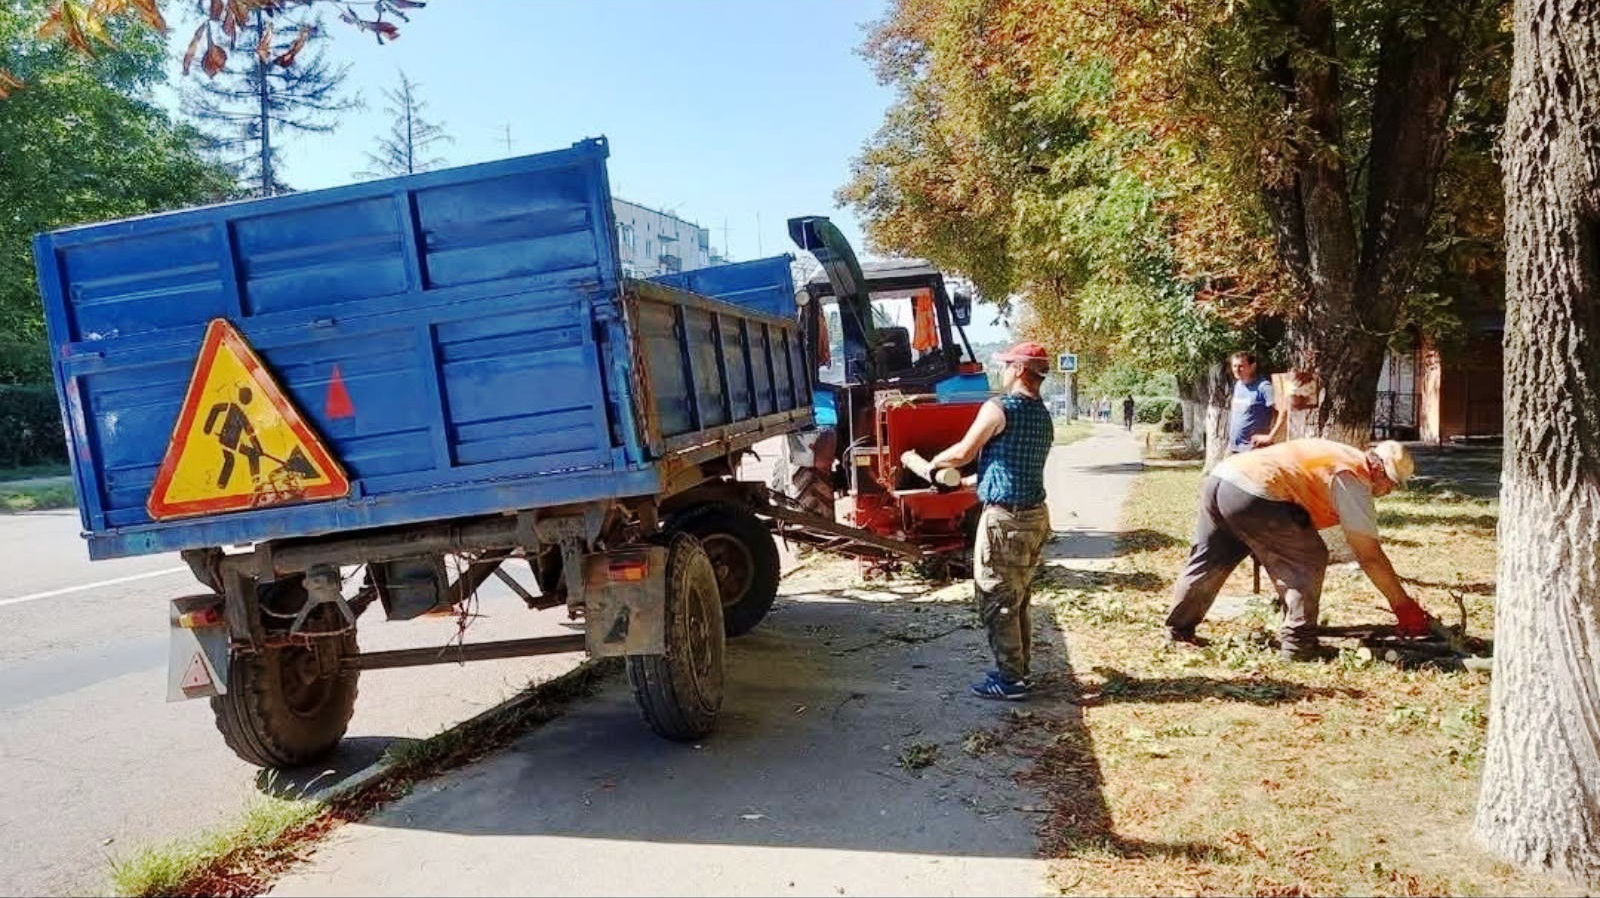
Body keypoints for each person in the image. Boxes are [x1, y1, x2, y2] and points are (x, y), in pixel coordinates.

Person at [1165, 438, 1432, 660]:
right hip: (1256, 490)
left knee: (1212, 557)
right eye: (1392, 484)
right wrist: (1403, 605)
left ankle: (1178, 630)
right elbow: (1369, 556)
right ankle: (1298, 642)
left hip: (1223, 478)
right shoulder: (1352, 477)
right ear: (1380, 472)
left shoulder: (1341, 454)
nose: (1388, 491)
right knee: (1308, 556)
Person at [931, 341, 1055, 700]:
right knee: (1018, 597)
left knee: (997, 598)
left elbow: (963, 452)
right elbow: (1010, 466)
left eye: (1006, 365)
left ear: (1018, 369)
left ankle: (1010, 680)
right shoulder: (1042, 414)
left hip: (1006, 520)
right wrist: (969, 482)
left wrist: (934, 464)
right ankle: (1019, 670)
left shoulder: (999, 408)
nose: (1001, 370)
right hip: (1034, 517)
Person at [1228, 351, 1283, 453]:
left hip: (1254, 449)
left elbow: (1283, 411)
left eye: (1241, 366)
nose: (1237, 370)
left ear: (1252, 366)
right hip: (1235, 448)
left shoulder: (1264, 387)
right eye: (1234, 366)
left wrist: (1271, 437)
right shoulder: (1238, 385)